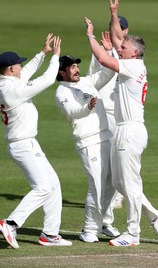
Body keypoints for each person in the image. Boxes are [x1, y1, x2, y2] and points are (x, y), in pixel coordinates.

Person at [83, 0, 158, 247]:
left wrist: (89, 36)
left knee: (129, 185)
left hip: (130, 131)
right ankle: (156, 216)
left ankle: (133, 234)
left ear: (135, 53)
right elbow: (118, 37)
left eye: (124, 48)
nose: (119, 47)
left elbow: (102, 57)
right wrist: (113, 14)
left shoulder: (134, 66)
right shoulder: (131, 60)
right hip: (122, 129)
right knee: (120, 182)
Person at [0, 33, 72, 249]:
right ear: (11, 69)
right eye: (18, 64)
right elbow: (47, 80)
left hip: (27, 143)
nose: (21, 66)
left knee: (53, 185)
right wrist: (55, 57)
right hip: (22, 145)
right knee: (43, 187)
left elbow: (25, 74)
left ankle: (50, 234)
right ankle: (10, 223)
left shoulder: (4, 84)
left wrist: (42, 54)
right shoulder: (14, 90)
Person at [55, 40, 120, 243]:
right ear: (62, 72)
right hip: (87, 141)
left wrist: (108, 51)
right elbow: (74, 112)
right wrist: (89, 107)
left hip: (105, 136)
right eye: (72, 67)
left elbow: (108, 73)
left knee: (112, 183)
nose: (76, 69)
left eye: (76, 66)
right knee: (96, 186)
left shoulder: (85, 81)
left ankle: (105, 223)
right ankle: (89, 229)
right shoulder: (62, 92)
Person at [87, 16, 129, 210]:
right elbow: (96, 74)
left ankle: (117, 195)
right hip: (103, 110)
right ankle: (110, 198)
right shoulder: (101, 51)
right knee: (109, 159)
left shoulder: (129, 54)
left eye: (120, 29)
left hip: (119, 112)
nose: (115, 32)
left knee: (119, 157)